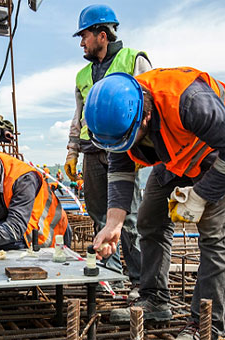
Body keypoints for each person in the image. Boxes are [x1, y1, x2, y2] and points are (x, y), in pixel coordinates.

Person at [87, 68, 225, 340]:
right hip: (175, 153)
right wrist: (114, 223)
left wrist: (201, 195)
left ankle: (206, 326)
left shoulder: (189, 101)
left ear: (146, 115)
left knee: (214, 236)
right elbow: (120, 168)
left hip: (222, 154)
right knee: (149, 220)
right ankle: (154, 299)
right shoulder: (118, 118)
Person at [64, 4, 149, 297]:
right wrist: (72, 152)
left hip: (124, 148)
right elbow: (79, 116)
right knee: (100, 214)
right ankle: (112, 276)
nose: (82, 42)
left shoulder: (133, 59)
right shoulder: (82, 76)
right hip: (92, 150)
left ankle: (139, 280)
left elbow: (146, 103)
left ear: (103, 34)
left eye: (85, 35)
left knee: (129, 217)